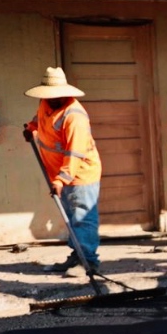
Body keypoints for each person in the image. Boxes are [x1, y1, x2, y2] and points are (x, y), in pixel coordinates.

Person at [24, 67, 102, 278]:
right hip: (60, 174)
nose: (52, 99)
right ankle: (78, 255)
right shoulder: (46, 103)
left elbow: (74, 152)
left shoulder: (74, 116)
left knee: (82, 217)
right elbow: (40, 118)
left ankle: (89, 262)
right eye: (49, 95)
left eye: (57, 95)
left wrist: (61, 179)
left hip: (80, 174)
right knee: (71, 217)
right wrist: (32, 127)